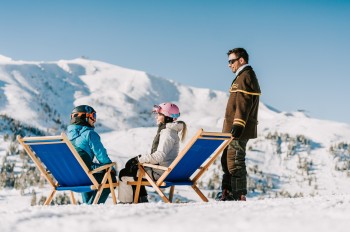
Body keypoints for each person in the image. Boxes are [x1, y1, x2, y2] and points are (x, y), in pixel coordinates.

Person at [118, 102, 187, 203]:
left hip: (161, 173)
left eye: (159, 114)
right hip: (166, 171)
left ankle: (126, 202)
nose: (156, 117)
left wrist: (137, 159)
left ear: (167, 117)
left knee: (124, 173)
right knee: (134, 169)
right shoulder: (169, 131)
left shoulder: (167, 133)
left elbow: (159, 156)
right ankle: (141, 199)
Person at [218, 48, 261, 201]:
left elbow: (244, 102)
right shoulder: (241, 76)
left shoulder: (246, 76)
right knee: (227, 159)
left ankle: (238, 194)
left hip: (239, 128)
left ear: (241, 60)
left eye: (231, 61)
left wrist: (238, 124)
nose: (229, 65)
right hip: (233, 128)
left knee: (235, 159)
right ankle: (228, 192)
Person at [67, 105, 117, 204]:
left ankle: (87, 204)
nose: (94, 120)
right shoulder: (90, 134)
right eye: (93, 116)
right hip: (85, 176)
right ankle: (92, 207)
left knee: (87, 172)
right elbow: (102, 157)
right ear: (83, 117)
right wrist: (111, 169)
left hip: (70, 177)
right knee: (110, 179)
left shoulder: (68, 136)